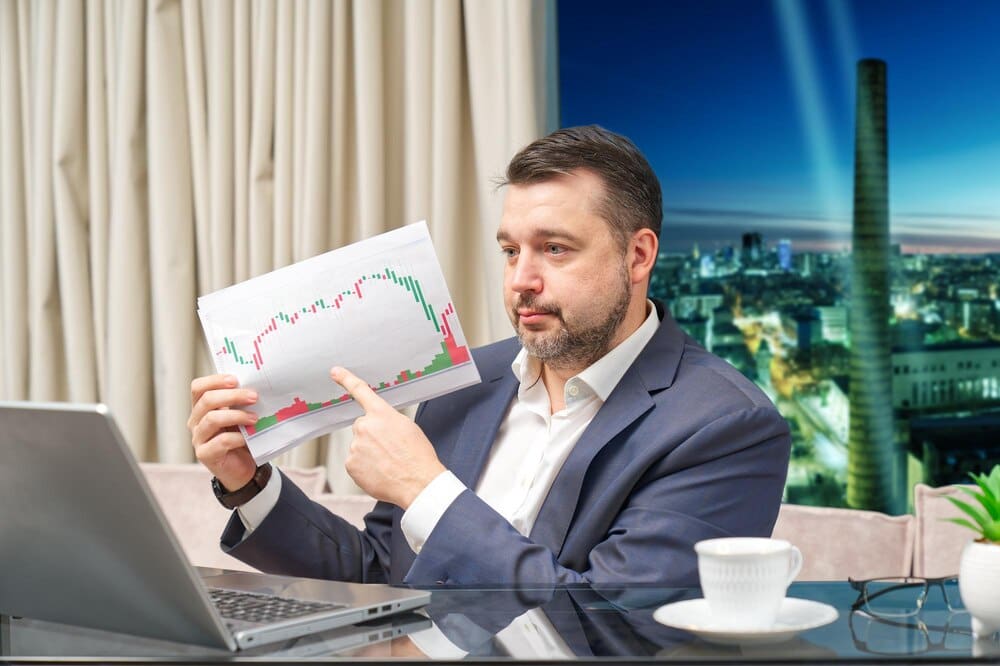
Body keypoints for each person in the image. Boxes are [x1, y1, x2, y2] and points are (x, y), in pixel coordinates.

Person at [187, 125, 791, 586]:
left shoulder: (724, 426)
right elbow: (380, 575)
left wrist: (427, 493)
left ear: (638, 257)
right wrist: (250, 483)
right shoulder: (464, 382)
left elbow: (614, 625)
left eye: (555, 249)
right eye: (510, 251)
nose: (520, 280)